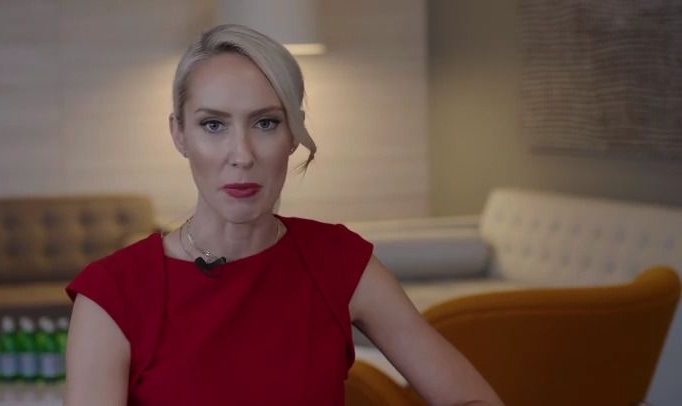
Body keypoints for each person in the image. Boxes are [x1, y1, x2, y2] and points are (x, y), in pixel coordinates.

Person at [64, 24, 503, 406]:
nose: (242, 154)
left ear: (294, 131)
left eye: (266, 123)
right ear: (179, 134)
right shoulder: (112, 294)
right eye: (213, 125)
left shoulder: (339, 262)